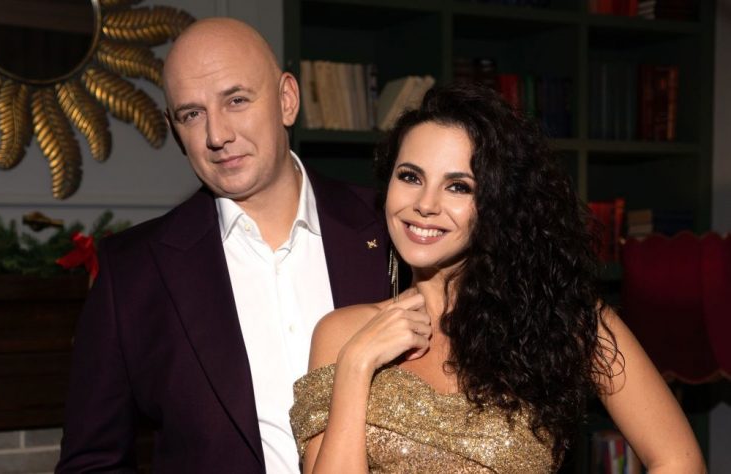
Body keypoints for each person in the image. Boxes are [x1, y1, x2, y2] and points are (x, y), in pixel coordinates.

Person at [289, 83, 706, 473]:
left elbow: (679, 461)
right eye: (411, 177)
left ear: (498, 203)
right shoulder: (345, 334)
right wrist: (357, 364)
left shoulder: (564, 319)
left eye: (458, 187)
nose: (425, 204)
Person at [56, 18, 390, 473]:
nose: (217, 135)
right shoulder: (133, 273)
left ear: (287, 100)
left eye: (236, 100)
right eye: (192, 114)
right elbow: (92, 463)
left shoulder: (392, 228)